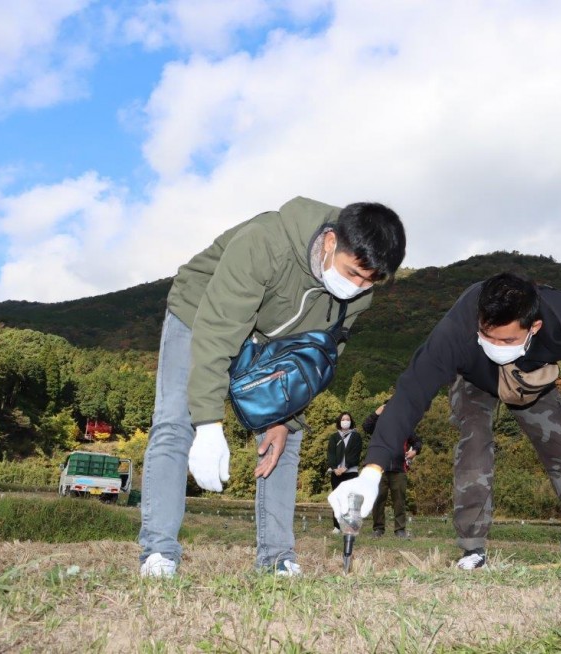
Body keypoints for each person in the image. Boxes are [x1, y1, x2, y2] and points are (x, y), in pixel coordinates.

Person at [329, 272, 561, 569]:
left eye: (507, 339)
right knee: (475, 445)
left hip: (531, 380)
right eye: (488, 335)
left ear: (534, 326)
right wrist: (372, 472)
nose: (496, 344)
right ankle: (472, 550)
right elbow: (410, 394)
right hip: (474, 378)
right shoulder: (456, 332)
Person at [138, 197, 406, 578]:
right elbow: (217, 333)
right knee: (177, 421)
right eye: (352, 273)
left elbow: (316, 359)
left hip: (272, 338)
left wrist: (283, 418)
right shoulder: (264, 243)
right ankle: (159, 551)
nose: (358, 287)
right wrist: (210, 425)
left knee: (286, 439)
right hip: (203, 311)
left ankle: (277, 557)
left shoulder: (359, 294)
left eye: (371, 281)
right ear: (330, 241)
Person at [363, 401, 422, 538]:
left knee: (399, 500)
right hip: (379, 467)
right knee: (378, 499)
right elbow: (366, 426)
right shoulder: (378, 425)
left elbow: (417, 441)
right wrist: (376, 413)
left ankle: (400, 530)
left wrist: (415, 451)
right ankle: (378, 529)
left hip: (398, 468)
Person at [326, 411, 363, 534]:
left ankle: (350, 526)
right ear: (339, 421)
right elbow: (330, 454)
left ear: (351, 421)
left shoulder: (356, 436)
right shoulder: (334, 437)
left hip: (350, 472)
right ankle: (337, 526)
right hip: (336, 473)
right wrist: (334, 468)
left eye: (347, 419)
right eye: (343, 419)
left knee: (351, 500)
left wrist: (346, 467)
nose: (345, 421)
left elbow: (355, 453)